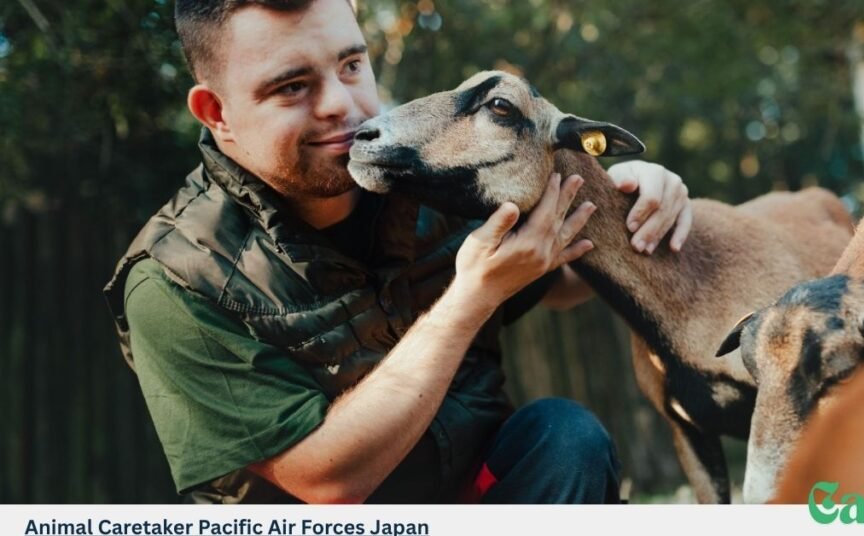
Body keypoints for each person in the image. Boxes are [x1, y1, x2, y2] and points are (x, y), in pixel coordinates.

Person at [104, 0, 693, 504]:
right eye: (293, 86)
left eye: (352, 65)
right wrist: (472, 295)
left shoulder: (428, 174)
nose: (343, 103)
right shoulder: (175, 279)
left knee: (566, 437)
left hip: (474, 496)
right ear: (217, 113)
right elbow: (329, 484)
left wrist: (631, 207)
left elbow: (557, 280)